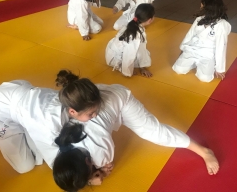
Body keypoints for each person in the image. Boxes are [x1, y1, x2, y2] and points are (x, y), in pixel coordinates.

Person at [52, 69, 219, 191]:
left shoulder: (99, 152)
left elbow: (107, 166)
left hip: (120, 100)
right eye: (91, 114)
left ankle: (204, 152)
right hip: (98, 95)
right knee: (95, 113)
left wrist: (98, 174)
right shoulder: (62, 137)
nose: (95, 116)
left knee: (155, 133)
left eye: (93, 112)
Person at [172, 0, 231, 82]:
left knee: (205, 79)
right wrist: (183, 49)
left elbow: (221, 47)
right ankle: (194, 63)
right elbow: (189, 35)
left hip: (208, 54)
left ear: (209, 9)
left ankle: (207, 64)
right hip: (193, 49)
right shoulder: (199, 19)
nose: (200, 7)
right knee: (178, 69)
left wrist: (219, 68)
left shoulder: (221, 25)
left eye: (202, 6)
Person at [106, 3, 155, 77]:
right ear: (150, 20)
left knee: (145, 52)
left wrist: (142, 67)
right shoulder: (135, 36)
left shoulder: (133, 24)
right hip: (113, 59)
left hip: (112, 50)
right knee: (143, 54)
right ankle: (121, 67)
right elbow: (129, 54)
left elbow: (140, 48)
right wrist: (128, 72)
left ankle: (131, 66)